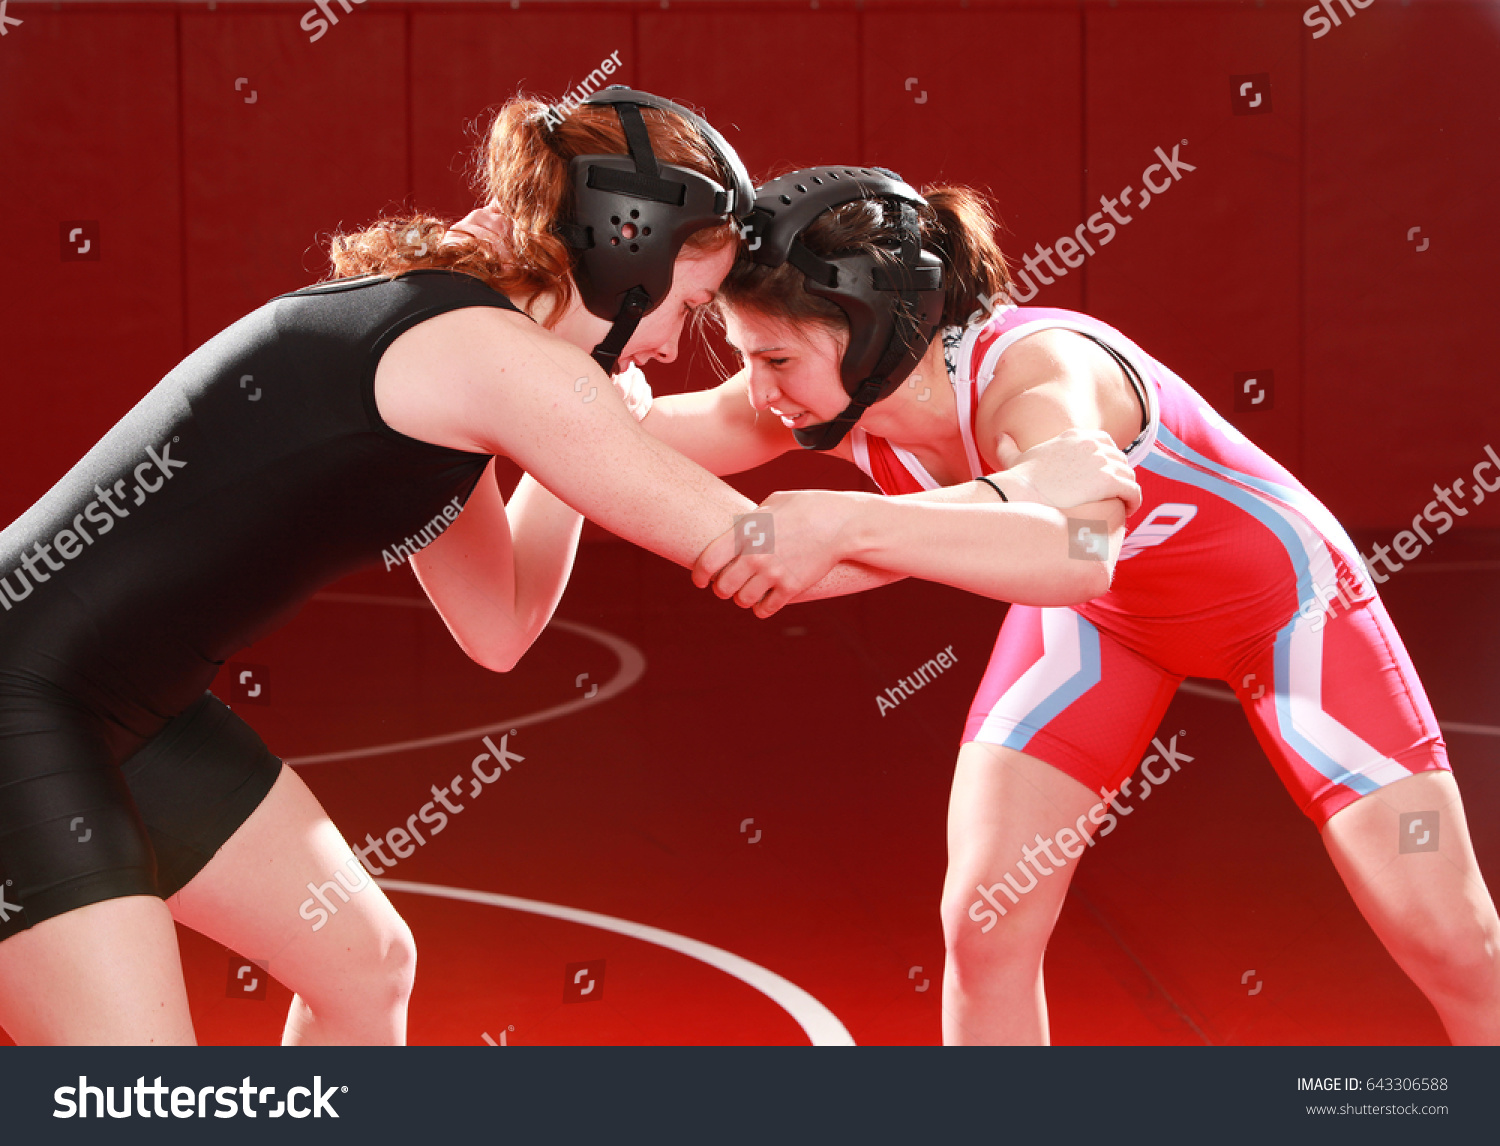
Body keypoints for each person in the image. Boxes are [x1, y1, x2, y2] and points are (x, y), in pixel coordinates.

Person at [0, 95, 1133, 1046]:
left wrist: (582, 454)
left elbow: (499, 625)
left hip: (126, 708)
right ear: (628, 255)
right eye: (685, 312)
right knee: (143, 1094)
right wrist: (1015, 499)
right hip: (22, 704)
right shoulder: (499, 360)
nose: (660, 351)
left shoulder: (469, 337)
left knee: (360, 963)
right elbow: (777, 558)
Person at [636, 165, 1500, 1044]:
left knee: (1450, 938)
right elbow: (622, 437)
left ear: (869, 335)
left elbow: (1079, 555)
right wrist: (525, 357)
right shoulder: (826, 399)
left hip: (1287, 613)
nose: (761, 391)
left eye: (775, 360)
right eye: (748, 358)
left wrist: (850, 520)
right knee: (984, 924)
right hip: (1111, 626)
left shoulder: (1041, 377)